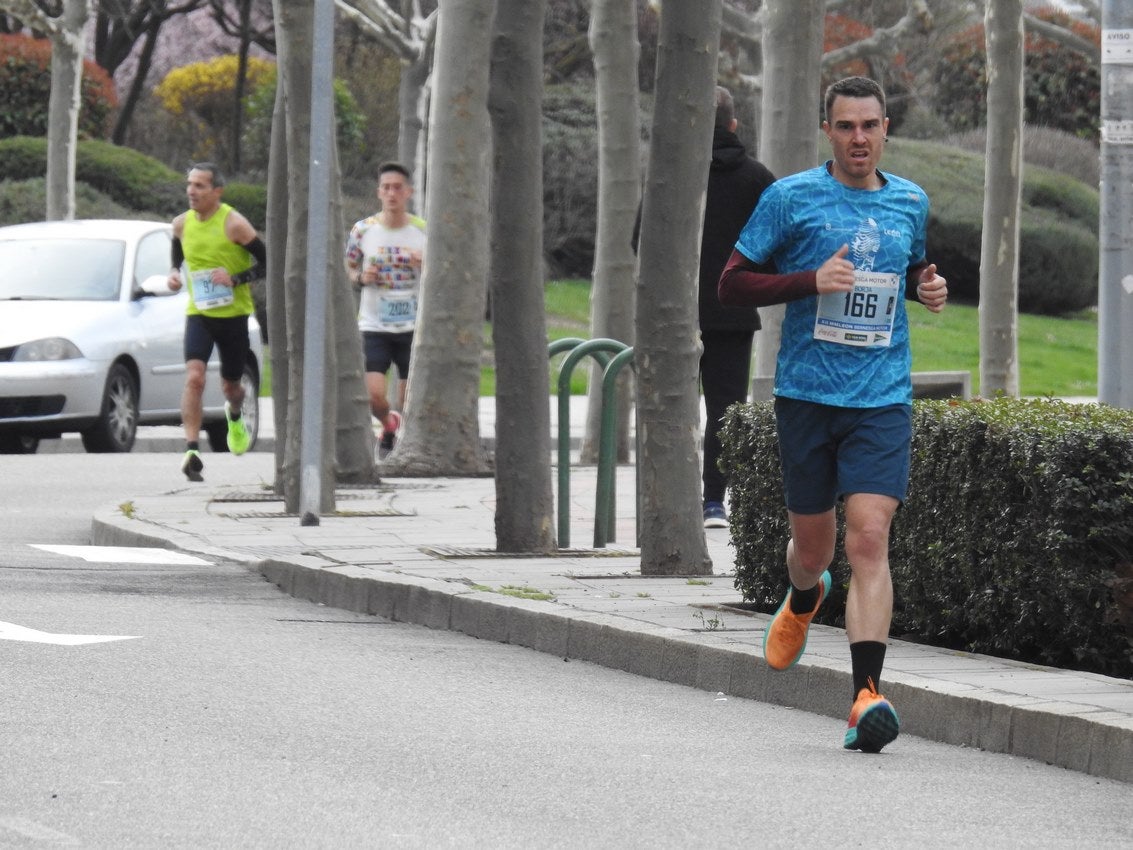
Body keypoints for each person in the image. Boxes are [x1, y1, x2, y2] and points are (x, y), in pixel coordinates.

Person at [717, 76, 948, 753]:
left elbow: (907, 271)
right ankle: (801, 593)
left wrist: (925, 287)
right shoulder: (789, 198)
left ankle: (864, 697)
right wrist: (807, 281)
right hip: (806, 396)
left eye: (869, 126)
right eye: (845, 126)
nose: (858, 138)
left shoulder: (909, 200)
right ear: (828, 130)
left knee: (869, 537)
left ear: (884, 129)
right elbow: (730, 284)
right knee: (813, 548)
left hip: (880, 397)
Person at [698, 86, 776, 529]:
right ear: (733, 125)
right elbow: (778, 246)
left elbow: (639, 241)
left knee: (668, 410)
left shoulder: (672, 176)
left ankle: (665, 492)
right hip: (733, 313)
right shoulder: (758, 179)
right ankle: (714, 501)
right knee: (726, 410)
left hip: (677, 314)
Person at [168, 162, 266, 482]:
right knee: (194, 377)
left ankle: (235, 415)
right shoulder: (181, 224)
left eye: (199, 186)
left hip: (233, 316)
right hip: (199, 314)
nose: (191, 191)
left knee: (231, 387)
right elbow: (177, 251)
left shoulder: (234, 224)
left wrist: (235, 278)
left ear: (217, 191)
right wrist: (173, 272)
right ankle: (192, 450)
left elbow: (265, 262)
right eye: (189, 184)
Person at [345, 162, 426, 458]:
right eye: (386, 188)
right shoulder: (363, 230)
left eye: (398, 188)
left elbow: (442, 274)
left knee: (406, 398)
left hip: (412, 325)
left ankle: (394, 435)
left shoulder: (423, 231)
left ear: (408, 192)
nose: (392, 193)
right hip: (374, 323)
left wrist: (424, 264)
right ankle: (387, 424)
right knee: (373, 395)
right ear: (379, 192)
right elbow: (349, 267)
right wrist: (360, 278)